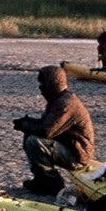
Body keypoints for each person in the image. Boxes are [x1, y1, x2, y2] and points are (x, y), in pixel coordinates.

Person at [12, 65, 95, 196]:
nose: (40, 88)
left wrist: (26, 125)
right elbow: (46, 125)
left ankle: (52, 183)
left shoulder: (66, 103)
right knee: (30, 135)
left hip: (78, 155)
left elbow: (47, 131)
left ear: (52, 84)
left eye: (43, 83)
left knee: (34, 142)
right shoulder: (58, 100)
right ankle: (41, 179)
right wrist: (26, 123)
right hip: (69, 147)